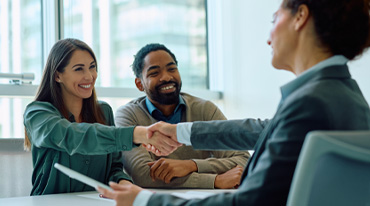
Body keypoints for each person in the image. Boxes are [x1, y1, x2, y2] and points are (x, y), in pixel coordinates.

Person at [97, 0, 370, 205]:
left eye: (275, 18)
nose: (268, 37)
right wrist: (180, 131)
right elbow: (262, 129)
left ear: (300, 16)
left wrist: (144, 201)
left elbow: (248, 202)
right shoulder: (341, 93)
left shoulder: (311, 103)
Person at [23, 38, 181, 196]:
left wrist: (123, 183)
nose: (89, 76)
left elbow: (114, 168)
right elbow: (72, 136)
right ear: (58, 75)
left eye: (92, 67)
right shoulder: (37, 113)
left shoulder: (104, 111)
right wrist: (137, 134)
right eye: (79, 69)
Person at [115, 43, 250, 189]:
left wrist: (191, 165)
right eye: (154, 73)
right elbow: (143, 175)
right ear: (139, 84)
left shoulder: (205, 109)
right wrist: (215, 180)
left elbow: (243, 159)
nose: (166, 77)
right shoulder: (128, 116)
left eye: (172, 69)